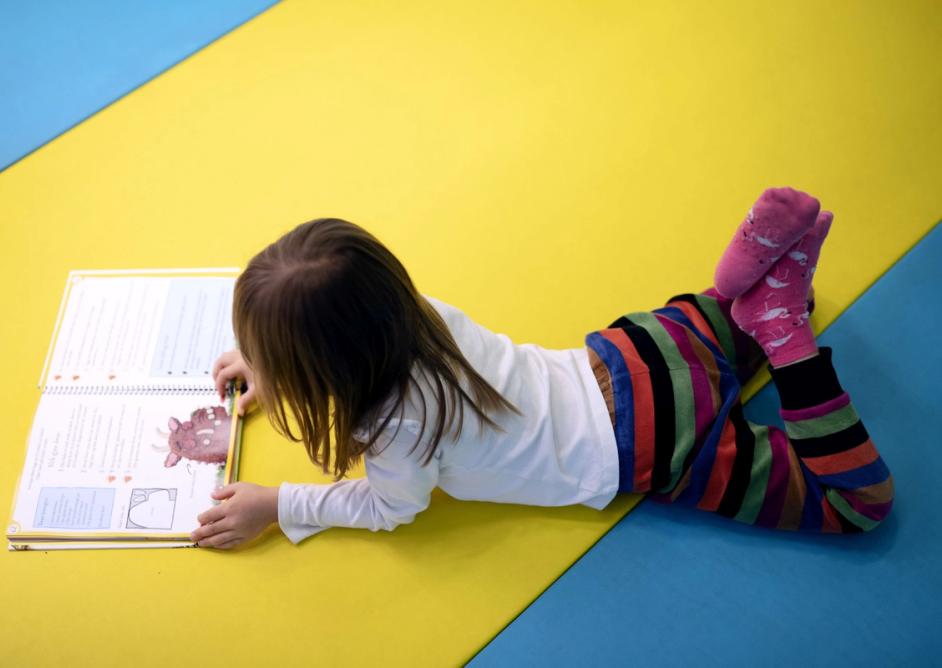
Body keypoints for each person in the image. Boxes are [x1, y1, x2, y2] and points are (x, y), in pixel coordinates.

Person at [190, 188, 894, 549]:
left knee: (856, 506)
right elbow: (343, 328)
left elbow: (389, 508)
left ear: (320, 370)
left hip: (652, 441)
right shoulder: (417, 315)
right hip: (631, 353)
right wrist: (274, 356)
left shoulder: (397, 427)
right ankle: (740, 292)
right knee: (713, 335)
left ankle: (786, 338)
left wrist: (278, 506)